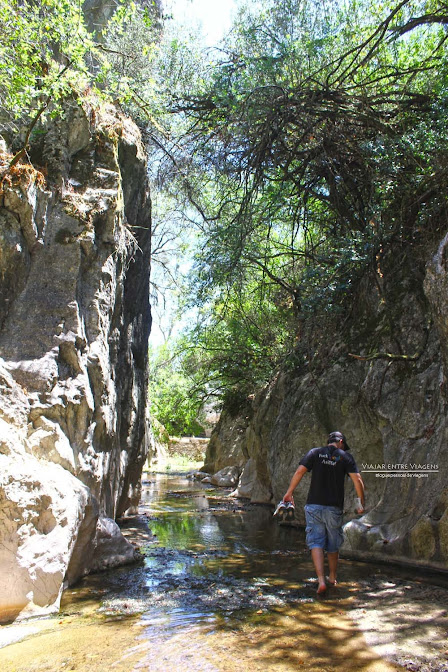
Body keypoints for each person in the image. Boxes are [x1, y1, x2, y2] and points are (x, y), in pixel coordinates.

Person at [283, 431, 365, 595]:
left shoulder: (315, 453)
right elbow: (357, 480)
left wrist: (289, 493)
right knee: (333, 544)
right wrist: (361, 501)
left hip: (313, 506)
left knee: (316, 542)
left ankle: (321, 580)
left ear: (329, 441)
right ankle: (332, 577)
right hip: (334, 507)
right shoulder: (345, 457)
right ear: (340, 441)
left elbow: (299, 471)